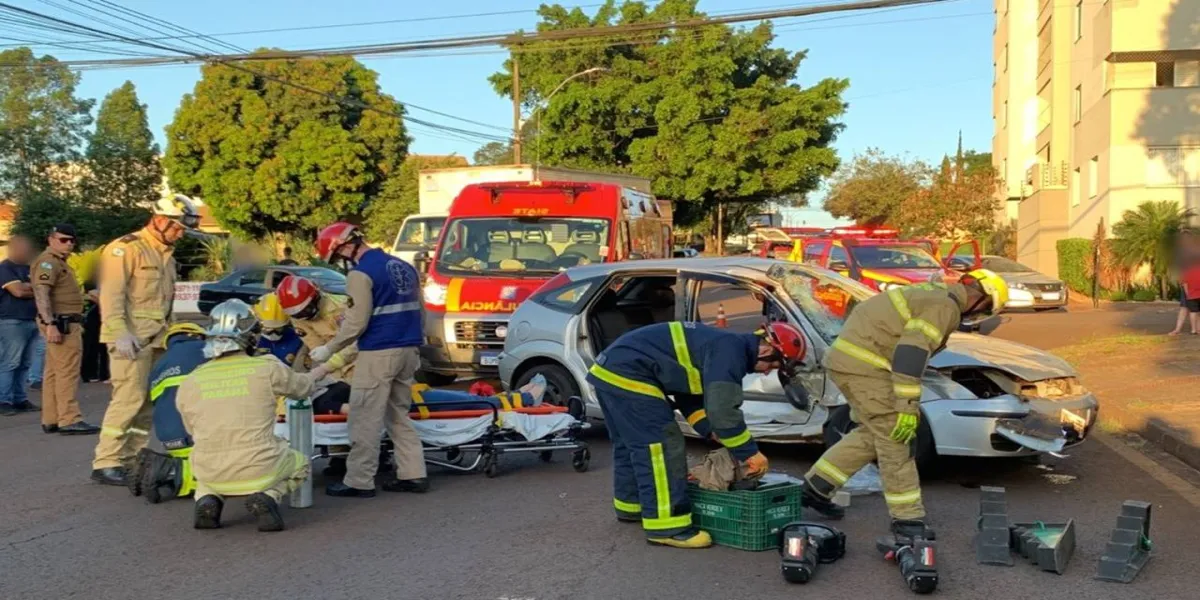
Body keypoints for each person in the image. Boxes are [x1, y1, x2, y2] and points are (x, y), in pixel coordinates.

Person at [801, 271, 1009, 543]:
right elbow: (910, 354)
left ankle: (816, 486)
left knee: (874, 433)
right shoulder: (945, 307)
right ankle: (907, 520)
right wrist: (907, 406)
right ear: (981, 301)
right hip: (866, 367)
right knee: (896, 438)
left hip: (852, 361)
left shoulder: (935, 294)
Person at [585, 320, 806, 549]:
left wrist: (709, 430)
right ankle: (668, 527)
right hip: (629, 376)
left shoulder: (724, 345)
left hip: (609, 374)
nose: (768, 371)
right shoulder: (731, 354)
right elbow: (723, 411)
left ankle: (631, 506)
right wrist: (749, 452)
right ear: (767, 349)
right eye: (773, 365)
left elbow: (689, 395)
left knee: (632, 444)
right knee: (662, 448)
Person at [175, 299, 331, 531]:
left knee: (207, 473)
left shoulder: (192, 380)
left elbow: (191, 429)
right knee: (301, 464)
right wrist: (320, 372)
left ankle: (207, 497)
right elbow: (302, 388)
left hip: (210, 470)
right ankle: (269, 495)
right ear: (251, 337)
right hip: (259, 466)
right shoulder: (267, 367)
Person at [91, 194, 200, 486]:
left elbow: (164, 304)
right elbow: (112, 295)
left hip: (158, 340)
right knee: (129, 399)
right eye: (177, 227)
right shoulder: (125, 249)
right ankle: (107, 461)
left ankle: (131, 457)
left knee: (150, 402)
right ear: (160, 220)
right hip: (131, 340)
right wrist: (119, 333)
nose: (180, 234)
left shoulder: (167, 257)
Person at [311, 222, 426, 498]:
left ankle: (359, 481)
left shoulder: (360, 274)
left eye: (337, 256)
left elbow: (356, 322)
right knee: (398, 415)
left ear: (344, 247)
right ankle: (413, 474)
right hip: (409, 349)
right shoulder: (403, 267)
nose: (341, 262)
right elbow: (421, 310)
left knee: (364, 417)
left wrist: (329, 349)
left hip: (378, 352)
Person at [31, 223, 100, 435]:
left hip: (62, 322)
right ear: (51, 239)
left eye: (71, 240)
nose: (69, 244)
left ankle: (52, 418)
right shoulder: (49, 263)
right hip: (63, 324)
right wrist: (50, 323)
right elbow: (41, 292)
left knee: (53, 372)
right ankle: (69, 418)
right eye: (63, 240)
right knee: (67, 372)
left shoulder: (58, 262)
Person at [130, 322, 209, 503]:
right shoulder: (207, 350)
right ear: (197, 335)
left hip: (167, 435)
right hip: (198, 432)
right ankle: (179, 479)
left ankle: (164, 468)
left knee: (184, 456)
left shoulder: (159, 365)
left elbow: (157, 402)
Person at [0, 235, 41, 417]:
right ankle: (4, 400)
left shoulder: (29, 268)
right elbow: (18, 291)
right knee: (10, 362)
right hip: (11, 320)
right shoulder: (5, 268)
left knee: (25, 363)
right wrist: (35, 289)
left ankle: (19, 398)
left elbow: (45, 288)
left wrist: (30, 287)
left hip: (31, 319)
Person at [253, 293, 305, 368]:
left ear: (287, 324)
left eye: (277, 328)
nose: (273, 333)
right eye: (268, 328)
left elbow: (299, 369)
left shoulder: (298, 339)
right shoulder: (252, 341)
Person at [81, 269, 109, 382]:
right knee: (91, 345)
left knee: (105, 346)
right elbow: (93, 295)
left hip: (106, 315)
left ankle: (104, 374)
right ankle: (89, 374)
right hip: (93, 315)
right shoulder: (91, 279)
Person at [1169, 230, 1199, 335]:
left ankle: (1196, 329)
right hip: (1186, 283)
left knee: (1196, 309)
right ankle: (1178, 329)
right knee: (1184, 307)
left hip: (1195, 283)